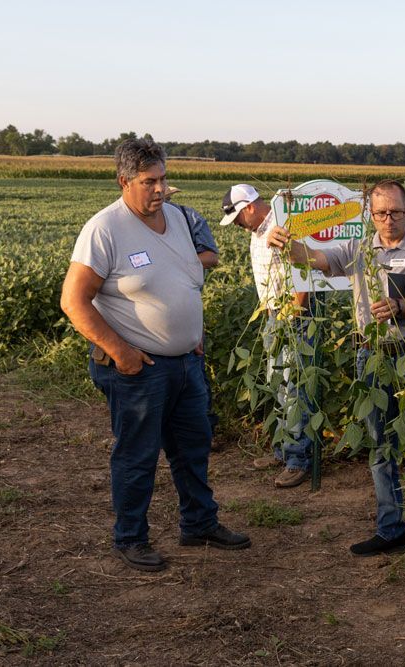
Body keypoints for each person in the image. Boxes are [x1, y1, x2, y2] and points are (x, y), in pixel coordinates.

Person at [60, 139, 250, 573]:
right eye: (149, 181)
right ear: (124, 181)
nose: (160, 189)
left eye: (163, 179)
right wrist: (121, 352)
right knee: (137, 456)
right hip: (137, 369)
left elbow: (185, 280)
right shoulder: (105, 229)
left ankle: (199, 523)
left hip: (186, 363)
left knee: (193, 449)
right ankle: (131, 537)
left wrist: (191, 332)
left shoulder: (179, 219)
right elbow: (73, 301)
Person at [267, 179, 405, 567]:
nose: (388, 220)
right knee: (381, 447)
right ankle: (390, 529)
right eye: (380, 213)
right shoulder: (359, 247)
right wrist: (286, 244)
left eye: (395, 212)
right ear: (371, 214)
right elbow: (313, 258)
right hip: (371, 356)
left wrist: (397, 307)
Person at [220, 183, 319, 489]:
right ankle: (282, 448)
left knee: (293, 387)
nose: (236, 224)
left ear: (249, 207)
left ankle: (298, 460)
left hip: (293, 317)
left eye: (237, 217)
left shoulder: (282, 226)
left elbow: (305, 270)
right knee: (277, 382)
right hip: (273, 314)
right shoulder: (257, 231)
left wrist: (295, 309)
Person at [164, 186, 220, 437]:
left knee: (193, 368)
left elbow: (210, 257)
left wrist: (174, 262)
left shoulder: (189, 218)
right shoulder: (125, 225)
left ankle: (202, 430)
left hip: (184, 303)